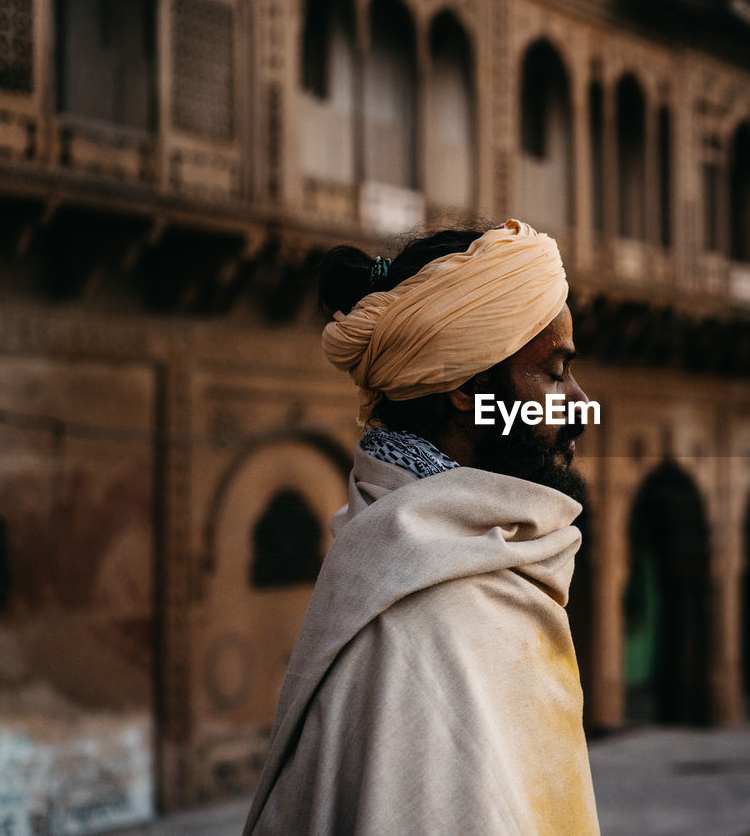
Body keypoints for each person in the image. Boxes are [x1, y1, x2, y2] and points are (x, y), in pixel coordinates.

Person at [243, 220, 600, 835]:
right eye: (553, 372)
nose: (577, 403)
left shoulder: (425, 560)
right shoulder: (428, 619)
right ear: (468, 388)